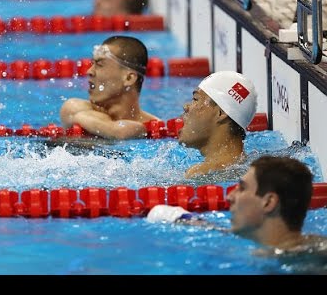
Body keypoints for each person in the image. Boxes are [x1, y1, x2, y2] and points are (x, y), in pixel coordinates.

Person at [147, 155, 327, 254]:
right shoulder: (268, 249)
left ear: (269, 202)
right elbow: (221, 231)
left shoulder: (308, 259)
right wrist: (182, 218)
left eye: (241, 188)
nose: (230, 196)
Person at [60, 35, 159, 140]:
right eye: (92, 64)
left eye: (100, 64)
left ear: (129, 78)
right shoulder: (77, 109)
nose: (89, 71)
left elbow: (123, 130)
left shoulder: (158, 127)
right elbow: (121, 131)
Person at [178, 71, 258, 178]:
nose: (186, 106)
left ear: (221, 113)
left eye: (195, 99)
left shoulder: (199, 174)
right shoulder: (248, 167)